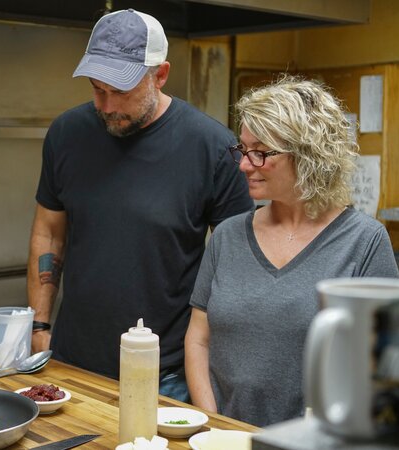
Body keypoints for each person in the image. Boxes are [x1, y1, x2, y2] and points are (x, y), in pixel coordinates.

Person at [27, 9, 253, 402]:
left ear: (160, 74)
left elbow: (236, 268)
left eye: (122, 91)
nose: (108, 105)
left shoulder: (213, 148)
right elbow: (48, 233)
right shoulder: (67, 134)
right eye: (98, 89)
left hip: (165, 373)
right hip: (71, 363)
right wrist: (40, 327)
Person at [184, 75, 399, 426]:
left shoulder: (364, 242)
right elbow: (199, 339)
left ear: (309, 156)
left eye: (261, 152)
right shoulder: (227, 236)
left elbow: (387, 363)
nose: (243, 164)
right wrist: (213, 423)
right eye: (242, 149)